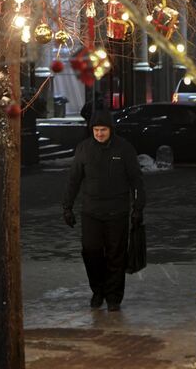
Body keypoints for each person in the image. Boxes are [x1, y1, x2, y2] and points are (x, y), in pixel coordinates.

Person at [63, 110, 146, 311]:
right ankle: (97, 290)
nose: (99, 134)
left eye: (103, 130)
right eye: (96, 130)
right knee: (91, 252)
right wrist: (67, 206)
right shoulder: (84, 149)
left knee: (116, 255)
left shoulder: (124, 149)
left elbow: (136, 180)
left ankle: (113, 297)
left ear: (111, 129)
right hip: (91, 211)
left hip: (117, 211)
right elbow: (74, 180)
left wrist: (138, 207)